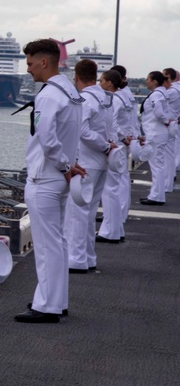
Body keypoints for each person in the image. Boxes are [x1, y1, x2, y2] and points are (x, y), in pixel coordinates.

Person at [15, 39, 84, 324]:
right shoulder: (71, 91)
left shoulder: (48, 95)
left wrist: (65, 164)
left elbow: (46, 139)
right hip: (61, 178)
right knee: (58, 243)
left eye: (30, 63)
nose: (28, 69)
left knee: (46, 245)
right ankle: (56, 300)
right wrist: (69, 163)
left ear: (44, 62)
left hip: (45, 177)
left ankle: (47, 306)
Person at [65, 60, 116, 273]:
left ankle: (76, 259)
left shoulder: (85, 99)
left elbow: (83, 132)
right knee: (89, 210)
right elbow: (111, 128)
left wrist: (104, 146)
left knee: (77, 212)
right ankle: (87, 256)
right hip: (101, 163)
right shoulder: (106, 99)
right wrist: (109, 147)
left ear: (76, 77)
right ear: (95, 76)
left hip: (85, 162)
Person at [96, 69, 130, 244]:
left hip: (113, 147)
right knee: (113, 188)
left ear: (109, 83)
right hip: (118, 146)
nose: (100, 84)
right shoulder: (119, 98)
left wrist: (115, 139)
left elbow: (113, 123)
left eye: (102, 81)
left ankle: (110, 231)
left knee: (109, 190)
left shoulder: (112, 100)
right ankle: (117, 229)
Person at [139, 71, 172, 206]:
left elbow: (158, 112)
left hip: (156, 133)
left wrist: (165, 120)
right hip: (157, 133)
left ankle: (156, 196)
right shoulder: (160, 93)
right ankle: (156, 194)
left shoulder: (157, 94)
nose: (146, 81)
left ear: (154, 81)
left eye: (148, 79)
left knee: (156, 166)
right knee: (158, 165)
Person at [162, 68, 180, 187]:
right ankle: (170, 176)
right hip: (174, 122)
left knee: (167, 154)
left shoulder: (171, 91)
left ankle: (168, 180)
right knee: (173, 151)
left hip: (169, 123)